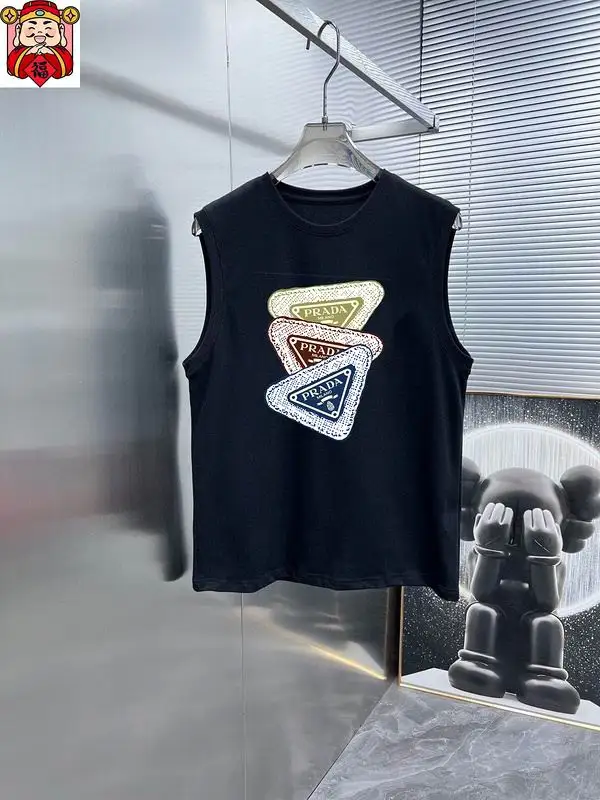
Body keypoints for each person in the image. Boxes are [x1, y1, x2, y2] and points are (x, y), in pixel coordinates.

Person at [7, 1, 73, 80]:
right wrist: (30, 52)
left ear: (61, 30)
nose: (40, 32)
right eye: (31, 28)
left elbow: (65, 70)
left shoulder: (62, 53)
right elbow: (15, 70)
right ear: (19, 30)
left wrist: (49, 53)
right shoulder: (17, 53)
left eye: (48, 28)